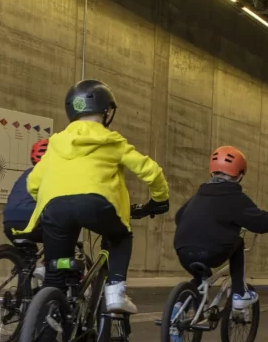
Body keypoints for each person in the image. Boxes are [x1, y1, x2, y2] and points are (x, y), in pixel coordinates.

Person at [19, 79, 169, 314]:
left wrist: (54, 197)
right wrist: (160, 199)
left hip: (54, 208)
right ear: (107, 111)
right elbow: (151, 171)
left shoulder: (56, 143)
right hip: (97, 205)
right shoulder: (112, 141)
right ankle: (116, 291)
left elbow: (33, 183)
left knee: (54, 278)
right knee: (121, 236)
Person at [174, 146, 268, 310]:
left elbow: (178, 216)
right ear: (239, 175)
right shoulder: (235, 197)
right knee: (238, 243)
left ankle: (179, 305)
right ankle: (239, 293)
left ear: (212, 171)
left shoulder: (198, 195)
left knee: (202, 276)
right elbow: (258, 220)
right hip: (212, 252)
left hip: (183, 250)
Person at [2, 139, 49, 243]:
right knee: (63, 236)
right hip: (32, 223)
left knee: (28, 256)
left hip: (9, 222)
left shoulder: (26, 174)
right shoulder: (53, 173)